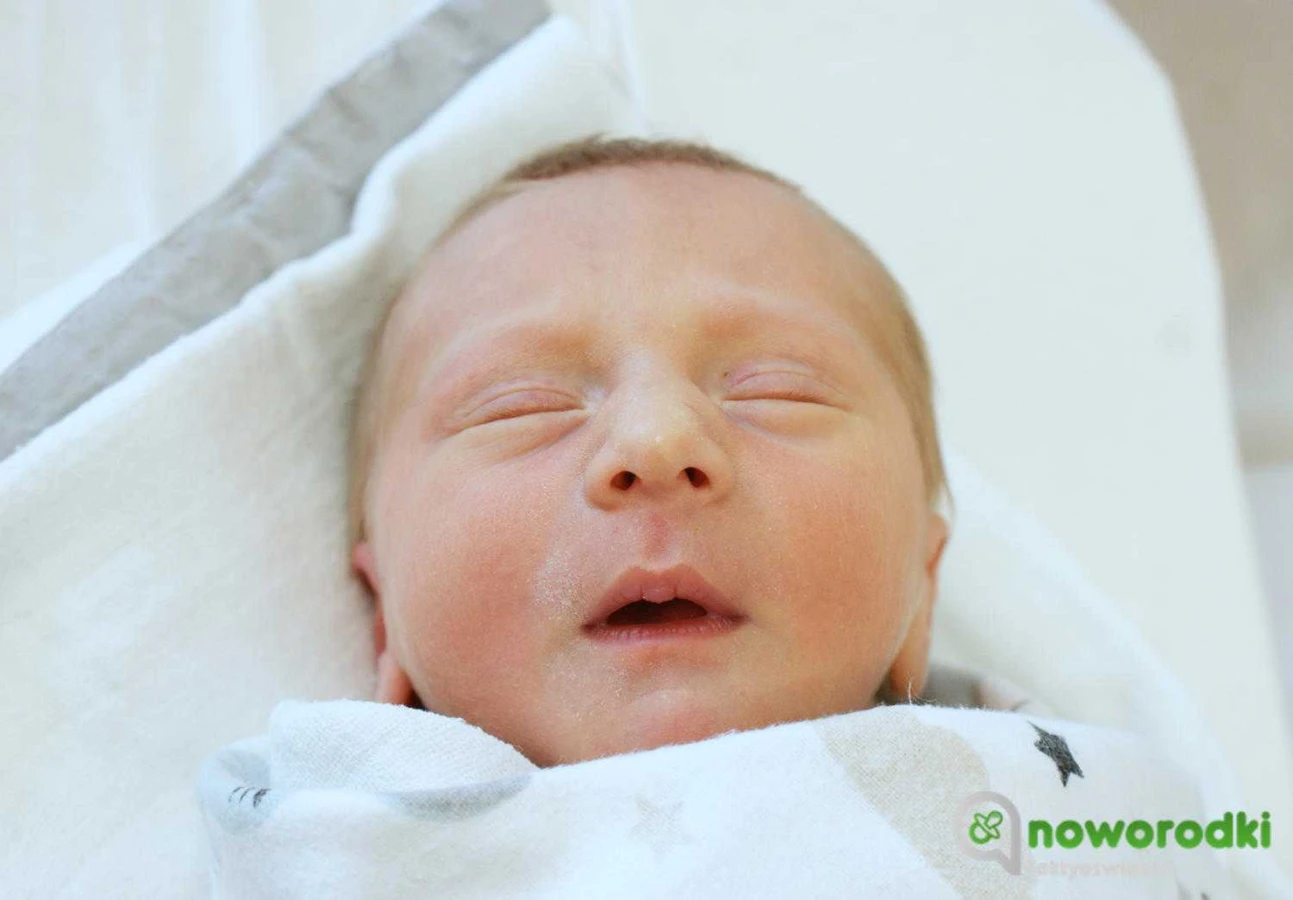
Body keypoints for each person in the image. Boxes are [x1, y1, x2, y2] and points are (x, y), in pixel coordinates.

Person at [345, 134, 950, 768]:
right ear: (386, 619)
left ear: (923, 588)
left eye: (778, 389)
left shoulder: (1007, 799)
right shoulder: (322, 818)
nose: (655, 440)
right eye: (521, 404)